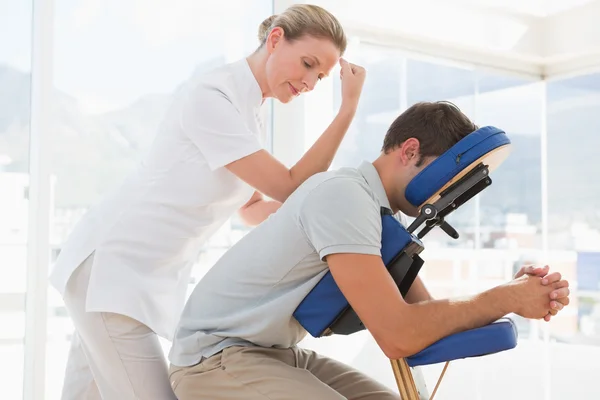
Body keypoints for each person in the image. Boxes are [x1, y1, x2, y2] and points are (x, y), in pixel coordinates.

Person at [49, 4, 366, 400]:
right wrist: (347, 110)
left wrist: (314, 220)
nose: (310, 82)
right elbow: (289, 185)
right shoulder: (214, 96)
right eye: (307, 64)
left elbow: (251, 209)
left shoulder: (251, 114)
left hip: (127, 277)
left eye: (320, 76)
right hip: (111, 271)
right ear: (275, 38)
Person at [167, 101, 571, 400]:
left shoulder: (381, 216)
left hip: (274, 353)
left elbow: (427, 318)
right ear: (409, 151)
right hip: (214, 359)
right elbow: (399, 335)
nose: (446, 194)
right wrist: (507, 297)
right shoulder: (344, 196)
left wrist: (516, 294)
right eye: (446, 179)